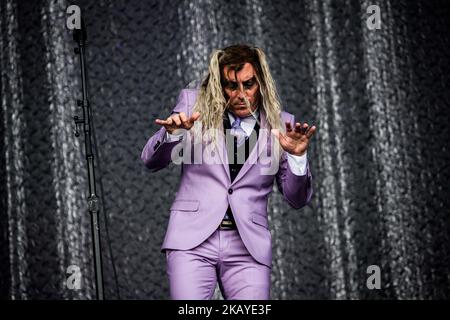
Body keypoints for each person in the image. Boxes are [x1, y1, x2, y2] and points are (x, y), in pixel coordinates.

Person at [141, 44, 316, 300]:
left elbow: (297, 199)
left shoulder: (282, 122)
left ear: (262, 82)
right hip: (192, 240)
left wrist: (297, 157)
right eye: (232, 86)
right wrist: (173, 134)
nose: (241, 95)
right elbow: (151, 161)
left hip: (248, 246)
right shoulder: (193, 105)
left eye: (249, 85)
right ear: (219, 85)